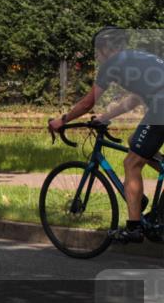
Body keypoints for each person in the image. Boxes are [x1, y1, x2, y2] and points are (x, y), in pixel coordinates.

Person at [48, 26, 164, 242]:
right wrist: (105, 117)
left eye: (97, 52)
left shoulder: (112, 64)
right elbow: (135, 99)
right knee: (134, 141)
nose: (97, 58)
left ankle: (134, 229)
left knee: (132, 163)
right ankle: (151, 212)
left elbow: (87, 103)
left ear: (106, 48)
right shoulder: (137, 58)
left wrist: (62, 120)